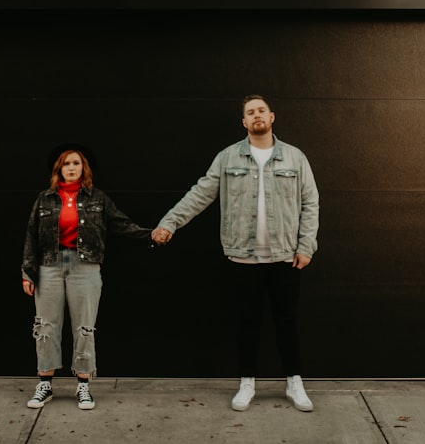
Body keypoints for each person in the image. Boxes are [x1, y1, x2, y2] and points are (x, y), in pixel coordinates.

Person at [151, 94, 319, 412]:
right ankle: (247, 383)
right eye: (250, 112)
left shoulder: (295, 158)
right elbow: (201, 193)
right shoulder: (228, 158)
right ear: (244, 122)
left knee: (287, 322)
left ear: (272, 117)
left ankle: (294, 382)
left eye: (261, 111)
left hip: (285, 256)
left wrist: (305, 246)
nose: (256, 115)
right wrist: (170, 222)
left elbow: (310, 203)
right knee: (247, 322)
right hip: (242, 257)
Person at [21, 145, 155, 411]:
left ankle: (83, 385)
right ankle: (45, 384)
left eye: (76, 163)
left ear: (84, 169)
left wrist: (151, 234)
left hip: (85, 267)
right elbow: (31, 236)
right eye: (66, 164)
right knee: (46, 326)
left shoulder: (98, 199)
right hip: (49, 267)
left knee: (84, 326)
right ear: (58, 169)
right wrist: (27, 271)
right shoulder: (45, 199)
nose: (71, 168)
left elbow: (122, 224)